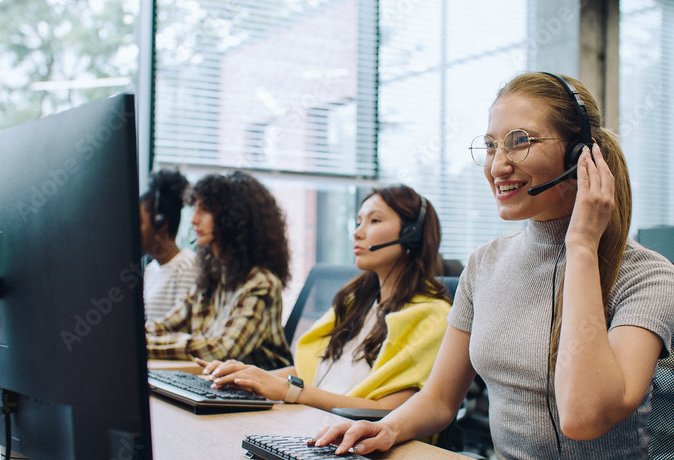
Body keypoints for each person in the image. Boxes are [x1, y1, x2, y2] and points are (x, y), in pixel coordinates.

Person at [313, 72, 674, 460]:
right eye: (491, 145)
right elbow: (438, 400)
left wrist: (583, 247)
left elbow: (583, 417)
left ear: (578, 155)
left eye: (520, 141)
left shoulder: (647, 276)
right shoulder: (485, 264)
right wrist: (389, 429)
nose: (497, 166)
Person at [198, 185, 452, 412]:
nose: (357, 233)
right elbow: (312, 373)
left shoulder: (431, 316)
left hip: (357, 446)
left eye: (374, 221)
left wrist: (291, 391)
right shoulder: (356, 303)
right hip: (312, 424)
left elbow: (385, 411)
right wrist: (247, 378)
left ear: (412, 235)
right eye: (358, 222)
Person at [146, 171, 291, 369]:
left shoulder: (261, 282)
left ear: (234, 219)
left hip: (257, 396)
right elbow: (168, 324)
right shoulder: (213, 276)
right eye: (194, 208)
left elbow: (220, 350)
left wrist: (146, 344)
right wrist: (135, 337)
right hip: (215, 384)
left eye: (204, 210)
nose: (193, 220)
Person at [140, 168, 199, 324]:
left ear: (160, 223)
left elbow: (180, 325)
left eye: (139, 222)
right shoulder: (151, 270)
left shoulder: (187, 266)